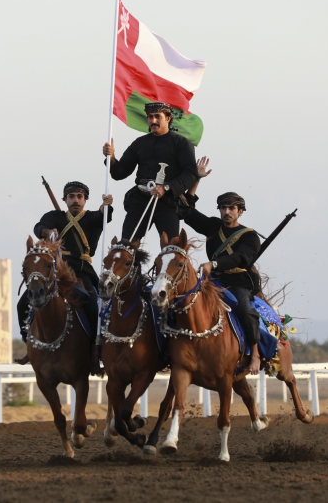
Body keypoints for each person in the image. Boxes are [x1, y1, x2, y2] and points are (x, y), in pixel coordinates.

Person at [16, 181, 113, 371]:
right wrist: (48, 232)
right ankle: (29, 342)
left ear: (85, 200)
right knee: (22, 305)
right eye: (71, 197)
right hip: (56, 272)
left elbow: (105, 215)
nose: (75, 200)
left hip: (82, 272)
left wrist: (106, 205)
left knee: (93, 306)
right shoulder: (55, 217)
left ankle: (95, 350)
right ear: (65, 199)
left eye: (79, 196)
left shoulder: (93, 218)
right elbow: (39, 227)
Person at [180, 162, 263, 374]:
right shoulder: (213, 226)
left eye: (231, 208)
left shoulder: (250, 236)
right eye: (223, 208)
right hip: (212, 281)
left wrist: (214, 263)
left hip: (237, 283)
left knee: (245, 310)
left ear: (240, 211)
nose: (226, 212)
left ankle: (254, 354)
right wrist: (196, 180)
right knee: (181, 302)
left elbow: (241, 258)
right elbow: (187, 211)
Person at [102, 101, 198, 242]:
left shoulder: (181, 143)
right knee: (125, 246)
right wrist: (111, 158)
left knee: (171, 250)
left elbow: (191, 174)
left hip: (168, 202)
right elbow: (119, 173)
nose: (153, 121)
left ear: (168, 118)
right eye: (150, 117)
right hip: (140, 200)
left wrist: (166, 188)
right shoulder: (140, 143)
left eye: (157, 116)